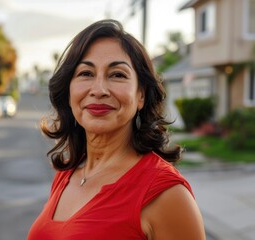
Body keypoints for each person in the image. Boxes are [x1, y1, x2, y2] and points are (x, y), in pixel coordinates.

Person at [28, 19, 205, 240]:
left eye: (117, 75)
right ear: (69, 90)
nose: (99, 89)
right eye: (86, 73)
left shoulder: (165, 194)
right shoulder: (66, 176)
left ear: (140, 95)